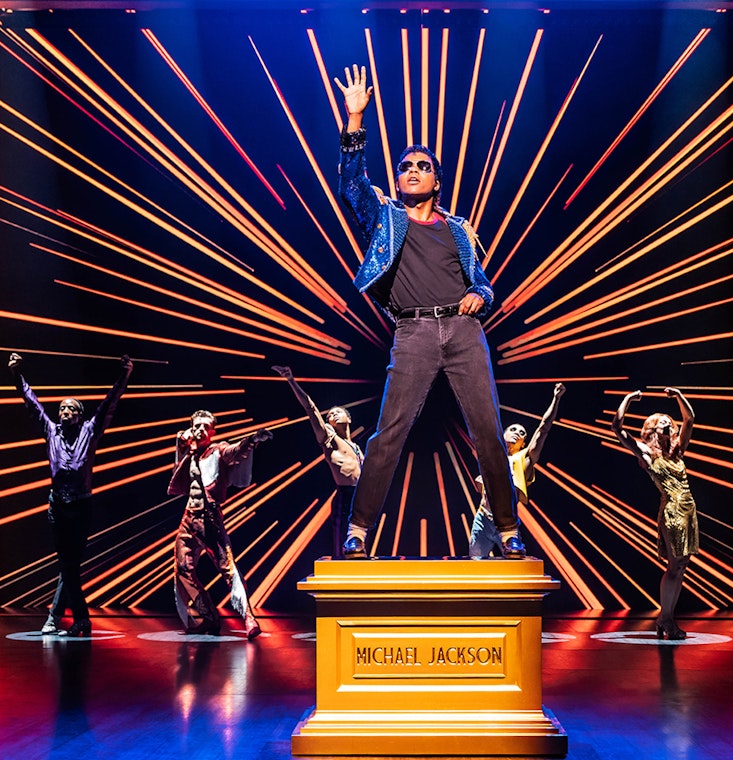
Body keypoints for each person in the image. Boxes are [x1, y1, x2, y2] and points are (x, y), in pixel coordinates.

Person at [333, 63, 523, 560]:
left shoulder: (459, 228)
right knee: (388, 431)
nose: (412, 171)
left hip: (462, 331)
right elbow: (352, 185)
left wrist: (482, 294)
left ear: (437, 179)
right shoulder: (386, 219)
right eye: (405, 166)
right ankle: (358, 530)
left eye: (422, 166)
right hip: (413, 330)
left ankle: (507, 530)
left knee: (487, 429)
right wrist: (355, 120)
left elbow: (479, 280)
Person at [9, 352, 133, 637]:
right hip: (57, 506)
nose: (63, 412)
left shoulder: (90, 431)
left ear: (79, 415)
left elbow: (109, 405)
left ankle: (66, 618)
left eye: (70, 409)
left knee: (70, 565)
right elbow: (32, 403)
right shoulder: (50, 431)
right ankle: (72, 620)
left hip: (81, 506)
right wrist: (16, 374)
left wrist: (124, 375)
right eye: (61, 409)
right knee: (68, 565)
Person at [167, 410, 272, 638]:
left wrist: (252, 439)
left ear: (212, 431)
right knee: (183, 570)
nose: (201, 430)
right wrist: (181, 443)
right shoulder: (190, 455)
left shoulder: (217, 450)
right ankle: (209, 617)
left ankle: (248, 617)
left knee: (228, 569)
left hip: (210, 519)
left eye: (206, 427)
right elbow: (178, 474)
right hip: (188, 519)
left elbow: (234, 451)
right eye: (197, 426)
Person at [611, 388, 698, 640]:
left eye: (670, 423)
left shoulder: (678, 450)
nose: (668, 426)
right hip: (671, 509)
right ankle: (666, 618)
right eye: (662, 424)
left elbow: (690, 419)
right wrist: (627, 399)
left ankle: (666, 618)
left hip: (689, 509)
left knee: (681, 567)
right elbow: (617, 427)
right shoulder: (647, 453)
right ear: (652, 429)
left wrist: (679, 396)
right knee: (675, 566)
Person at [272, 365, 363, 558]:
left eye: (338, 412)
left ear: (348, 418)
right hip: (345, 496)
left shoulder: (356, 447)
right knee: (342, 547)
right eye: (330, 414)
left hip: (362, 497)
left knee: (361, 544)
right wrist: (291, 380)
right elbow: (310, 407)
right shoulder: (329, 439)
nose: (332, 414)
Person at [470, 383, 566, 558]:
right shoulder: (491, 456)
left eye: (521, 433)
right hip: (483, 519)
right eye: (513, 429)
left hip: (507, 525)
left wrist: (556, 399)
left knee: (516, 564)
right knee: (475, 564)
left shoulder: (522, 460)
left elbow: (543, 429)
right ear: (504, 433)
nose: (517, 433)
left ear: (523, 443)